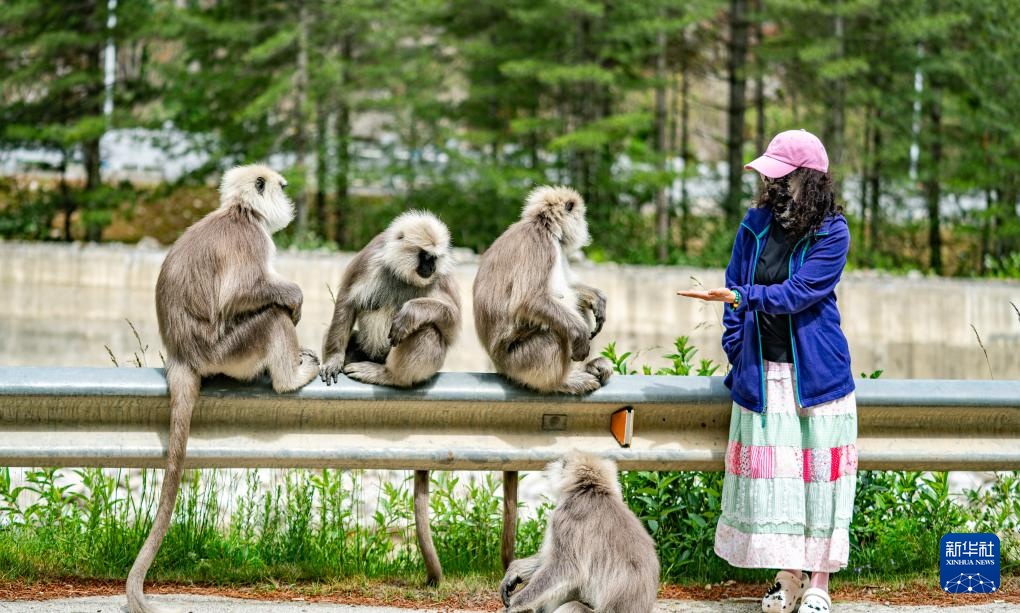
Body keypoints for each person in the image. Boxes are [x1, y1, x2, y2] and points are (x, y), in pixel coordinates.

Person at [678, 129, 857, 613]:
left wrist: (743, 298)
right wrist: (736, 345)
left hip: (816, 377)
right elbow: (733, 283)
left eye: (784, 173)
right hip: (764, 372)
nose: (773, 182)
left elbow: (800, 293)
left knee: (820, 480)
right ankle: (789, 577)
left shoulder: (833, 232)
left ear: (809, 179)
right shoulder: (755, 223)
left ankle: (819, 580)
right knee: (778, 481)